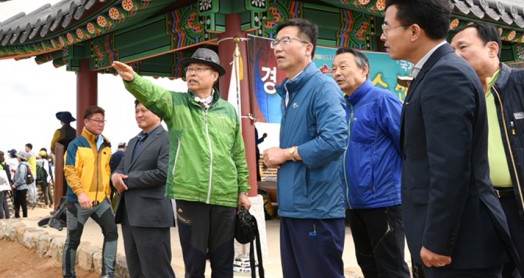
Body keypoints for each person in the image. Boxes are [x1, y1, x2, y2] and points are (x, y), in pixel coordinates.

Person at [381, 0, 512, 275]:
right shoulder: (435, 71)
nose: (383, 35)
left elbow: (451, 167)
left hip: (460, 247)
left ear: (414, 31)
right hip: (452, 241)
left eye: (388, 26)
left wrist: (439, 240)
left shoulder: (446, 75)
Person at [113, 47, 252, 278]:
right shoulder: (176, 104)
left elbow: (238, 153)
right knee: (194, 265)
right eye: (189, 69)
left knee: (224, 264)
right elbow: (155, 94)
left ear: (214, 76)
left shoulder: (229, 111)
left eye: (198, 69)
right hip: (190, 195)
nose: (191, 73)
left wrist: (243, 190)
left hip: (225, 196)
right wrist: (133, 79)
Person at [261, 18, 347, 278]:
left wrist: (286, 153)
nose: (277, 47)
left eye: (286, 41)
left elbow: (335, 140)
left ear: (308, 48)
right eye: (276, 42)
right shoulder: (293, 91)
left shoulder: (322, 87)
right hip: (293, 207)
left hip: (316, 209)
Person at [451, 23, 524, 277]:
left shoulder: (519, 83)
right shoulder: (460, 96)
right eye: (452, 50)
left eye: (463, 47)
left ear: (492, 48)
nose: (455, 56)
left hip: (518, 201)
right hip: (483, 205)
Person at [332, 47, 410, 278]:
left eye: (343, 66)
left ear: (364, 69)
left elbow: (407, 145)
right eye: (334, 68)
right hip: (355, 204)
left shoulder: (382, 100)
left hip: (383, 201)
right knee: (369, 268)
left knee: (391, 269)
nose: (337, 72)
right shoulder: (344, 107)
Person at [112, 100, 175, 278]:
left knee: (157, 271)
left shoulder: (168, 139)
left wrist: (126, 180)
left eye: (144, 110)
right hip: (129, 214)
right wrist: (115, 176)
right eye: (137, 111)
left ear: (158, 114)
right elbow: (121, 168)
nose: (139, 114)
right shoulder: (133, 141)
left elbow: (163, 173)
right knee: (136, 269)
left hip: (152, 215)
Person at [62, 106, 117, 278]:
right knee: (72, 240)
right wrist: (80, 193)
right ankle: (69, 275)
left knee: (112, 233)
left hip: (101, 202)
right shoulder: (76, 145)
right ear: (86, 122)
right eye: (97, 120)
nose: (101, 124)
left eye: (103, 121)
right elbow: (69, 170)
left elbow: (107, 171)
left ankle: (108, 274)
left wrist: (107, 196)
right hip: (78, 202)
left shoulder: (107, 145)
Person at [10, 152, 31, 218]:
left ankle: (23, 216)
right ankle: (18, 215)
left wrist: (15, 184)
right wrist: (15, 171)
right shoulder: (24, 165)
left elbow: (21, 177)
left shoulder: (22, 165)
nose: (17, 158)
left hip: (21, 187)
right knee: (19, 202)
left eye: (18, 156)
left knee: (21, 202)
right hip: (23, 186)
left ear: (20, 158)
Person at [109, 142, 126, 210]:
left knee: (110, 194)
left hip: (111, 177)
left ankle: (109, 209)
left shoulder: (112, 155)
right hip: (120, 178)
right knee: (119, 195)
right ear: (124, 147)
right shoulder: (125, 155)